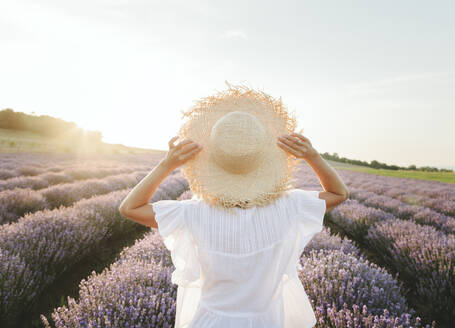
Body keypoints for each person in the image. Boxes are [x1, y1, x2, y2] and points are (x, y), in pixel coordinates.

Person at [119, 83, 350, 328]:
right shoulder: (289, 207)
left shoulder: (193, 213)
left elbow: (129, 208)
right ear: (264, 158)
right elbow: (339, 193)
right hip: (267, 321)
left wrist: (166, 164)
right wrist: (311, 155)